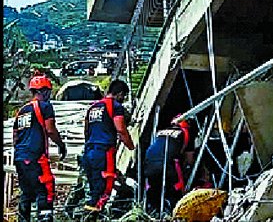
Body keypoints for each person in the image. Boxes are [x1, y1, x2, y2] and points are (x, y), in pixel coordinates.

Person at [12, 74, 67, 222]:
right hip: (36, 157)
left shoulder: (22, 111)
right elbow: (50, 130)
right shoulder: (45, 106)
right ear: (44, 91)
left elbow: (15, 136)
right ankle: (45, 218)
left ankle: (23, 219)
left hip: (20, 157)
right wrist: (61, 145)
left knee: (27, 192)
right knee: (46, 188)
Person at [80, 79, 135, 219]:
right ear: (120, 94)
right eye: (124, 97)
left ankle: (89, 215)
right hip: (104, 151)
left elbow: (86, 129)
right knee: (105, 187)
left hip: (89, 150)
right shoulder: (115, 106)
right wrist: (131, 147)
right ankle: (92, 216)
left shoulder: (94, 106)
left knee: (94, 189)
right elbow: (121, 129)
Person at [143, 115, 196, 215]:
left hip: (148, 165)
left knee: (155, 190)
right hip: (166, 165)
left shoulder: (161, 132)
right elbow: (189, 160)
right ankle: (178, 214)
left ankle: (153, 212)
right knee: (175, 189)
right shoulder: (184, 133)